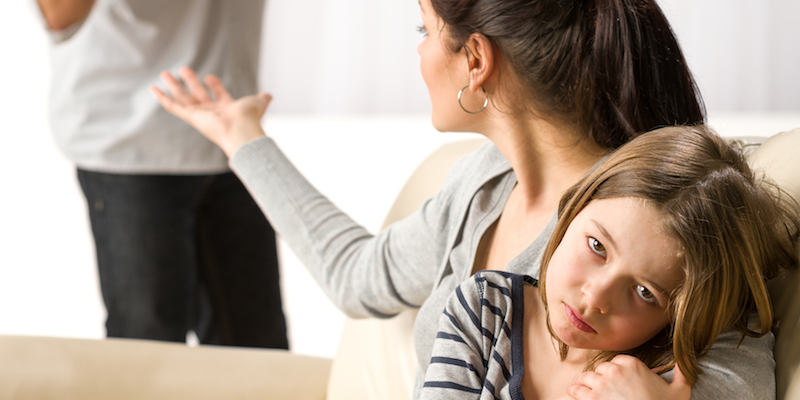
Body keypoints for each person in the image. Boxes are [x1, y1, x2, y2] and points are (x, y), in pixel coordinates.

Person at [152, 0, 776, 397]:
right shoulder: (483, 184)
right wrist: (243, 138)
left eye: (425, 29)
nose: (420, 50)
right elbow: (358, 276)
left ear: (475, 58)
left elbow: (731, 365)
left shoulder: (648, 222)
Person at [418, 125, 800, 399]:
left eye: (643, 292)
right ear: (575, 208)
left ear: (678, 316)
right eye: (597, 246)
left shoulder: (663, 381)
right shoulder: (486, 311)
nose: (597, 296)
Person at [32, 0, 288, 349]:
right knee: (148, 351)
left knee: (260, 352)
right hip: (131, 142)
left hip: (233, 135)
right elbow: (62, 13)